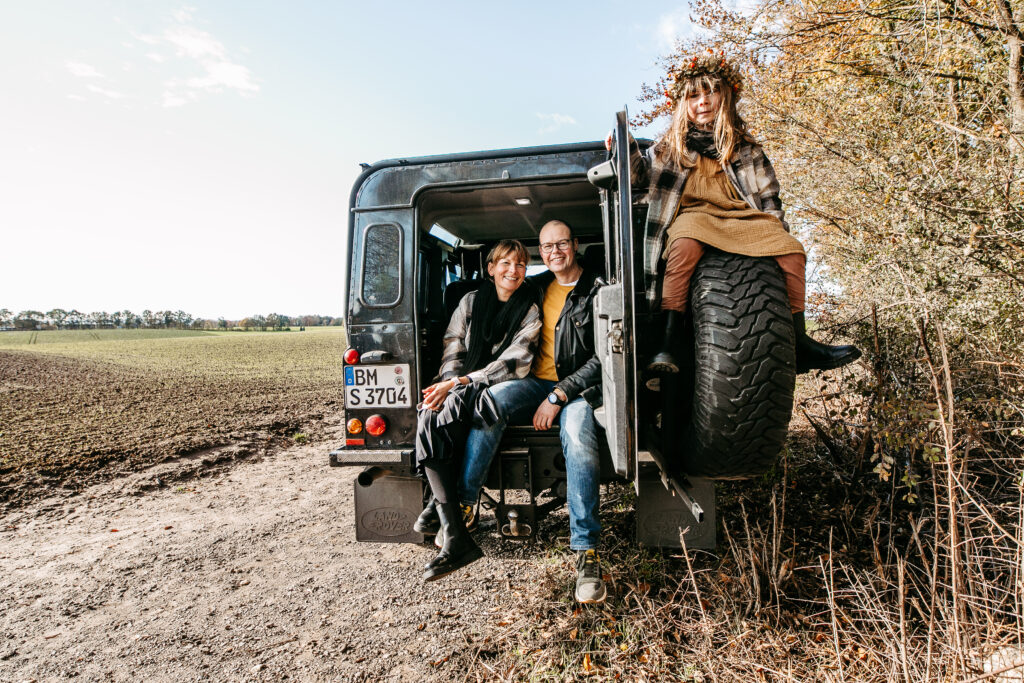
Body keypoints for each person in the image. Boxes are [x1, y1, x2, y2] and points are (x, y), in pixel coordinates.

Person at [617, 53, 860, 376]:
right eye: (693, 96)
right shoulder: (669, 149)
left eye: (710, 93)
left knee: (792, 251)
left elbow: (768, 196)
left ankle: (799, 341)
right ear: (682, 104)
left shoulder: (746, 148)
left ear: (725, 97)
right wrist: (624, 147)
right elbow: (637, 177)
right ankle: (669, 339)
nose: (703, 102)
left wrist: (779, 232)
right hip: (695, 215)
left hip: (742, 215)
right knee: (684, 246)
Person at [458, 220, 608, 604]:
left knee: (577, 437)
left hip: (576, 391)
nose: (554, 252)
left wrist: (560, 394)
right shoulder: (535, 288)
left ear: (575, 245)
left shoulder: (599, 289)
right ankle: (464, 504)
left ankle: (586, 552)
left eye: (561, 244)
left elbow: (602, 357)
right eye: (546, 246)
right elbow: (498, 301)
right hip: (534, 383)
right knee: (491, 399)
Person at [414, 240, 542, 582]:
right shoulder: (469, 302)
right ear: (490, 268)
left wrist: (460, 384)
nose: (513, 271)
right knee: (428, 413)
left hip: (491, 385)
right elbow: (452, 347)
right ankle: (456, 535)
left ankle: (442, 516)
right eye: (505, 263)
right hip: (461, 382)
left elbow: (515, 363)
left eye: (520, 265)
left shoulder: (529, 309)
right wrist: (447, 384)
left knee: (446, 406)